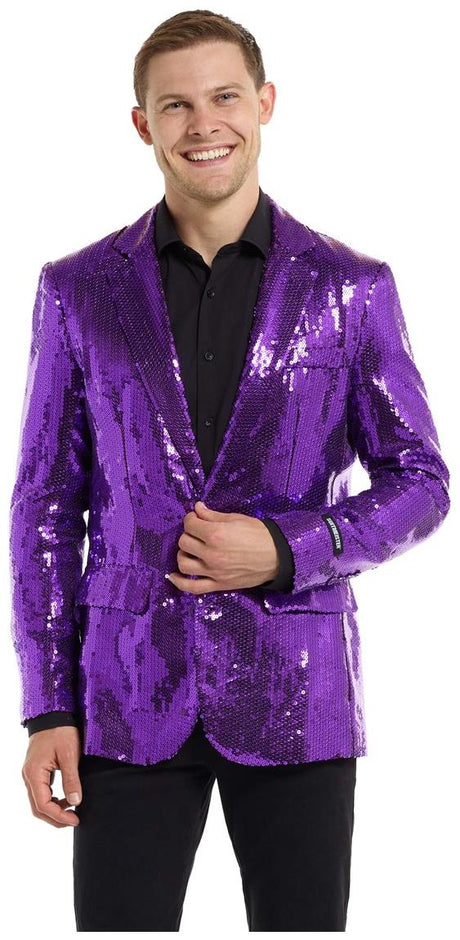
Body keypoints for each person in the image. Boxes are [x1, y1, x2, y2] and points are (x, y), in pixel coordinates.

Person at [9, 9, 450, 933]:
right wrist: (48, 707)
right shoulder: (76, 290)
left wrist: (289, 550)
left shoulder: (351, 287)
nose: (203, 123)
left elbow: (421, 480)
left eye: (224, 97)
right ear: (143, 124)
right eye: (176, 105)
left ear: (265, 103)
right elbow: (45, 505)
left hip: (300, 692)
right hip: (125, 692)